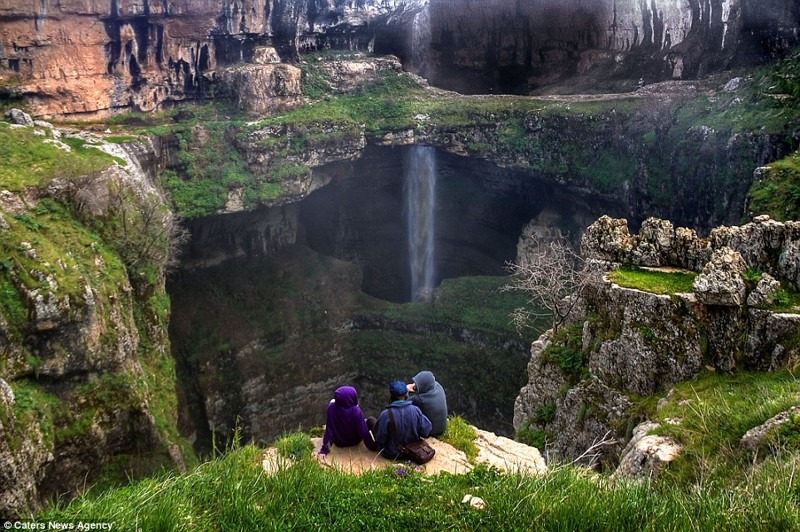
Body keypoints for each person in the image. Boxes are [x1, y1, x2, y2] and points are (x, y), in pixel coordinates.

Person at [372, 381, 432, 460]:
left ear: (391, 396)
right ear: (405, 396)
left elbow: (380, 438)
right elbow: (426, 430)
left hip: (392, 453)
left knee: (371, 421)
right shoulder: (415, 410)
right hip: (412, 451)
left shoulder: (386, 414)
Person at [317, 385, 378, 464]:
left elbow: (329, 430)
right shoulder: (355, 411)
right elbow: (363, 432)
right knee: (370, 421)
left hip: (339, 442)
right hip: (354, 441)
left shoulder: (331, 408)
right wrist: (373, 447)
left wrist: (324, 450)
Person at [407, 370, 448, 436]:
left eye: (416, 384)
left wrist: (407, 390)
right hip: (442, 427)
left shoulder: (419, 399)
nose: (414, 385)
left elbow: (404, 405)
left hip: (430, 431)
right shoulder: (438, 387)